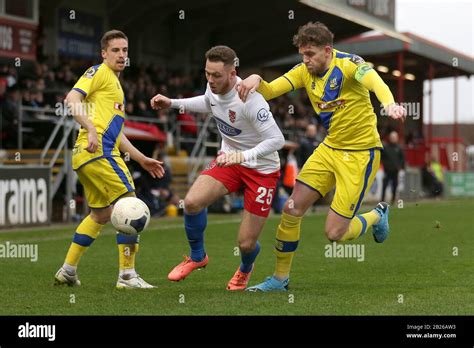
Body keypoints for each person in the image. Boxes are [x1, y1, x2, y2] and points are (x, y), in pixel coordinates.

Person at [237, 22, 406, 291]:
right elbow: (270, 91)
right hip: (329, 149)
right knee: (292, 208)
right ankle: (280, 280)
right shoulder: (304, 71)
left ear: (327, 50)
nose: (306, 60)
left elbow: (376, 81)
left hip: (360, 154)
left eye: (310, 54)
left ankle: (376, 215)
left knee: (334, 233)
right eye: (303, 54)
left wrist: (389, 104)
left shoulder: (349, 65)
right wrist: (257, 78)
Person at [150, 45, 285, 290]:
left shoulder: (251, 100)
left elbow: (277, 140)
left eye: (216, 76)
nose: (210, 80)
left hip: (262, 170)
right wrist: (171, 102)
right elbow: (207, 102)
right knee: (191, 202)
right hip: (230, 161)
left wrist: (243, 156)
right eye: (207, 74)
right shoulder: (212, 87)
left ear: (233, 73)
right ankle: (198, 256)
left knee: (245, 244)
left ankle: (245, 268)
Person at [54, 30, 164, 289]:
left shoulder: (115, 85)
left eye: (125, 50)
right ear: (104, 53)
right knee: (130, 205)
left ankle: (67, 270)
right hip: (98, 151)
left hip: (88, 156)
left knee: (100, 214)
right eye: (116, 50)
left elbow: (118, 133)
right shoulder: (99, 72)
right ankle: (127, 276)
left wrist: (140, 158)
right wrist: (91, 128)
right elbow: (72, 98)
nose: (122, 55)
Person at [381, 131, 405, 204]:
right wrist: (385, 165)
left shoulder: (399, 148)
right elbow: (382, 157)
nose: (393, 139)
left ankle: (393, 199)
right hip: (387, 170)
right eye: (392, 137)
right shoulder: (386, 147)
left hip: (395, 170)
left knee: (395, 185)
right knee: (385, 185)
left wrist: (399, 166)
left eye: (394, 137)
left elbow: (402, 158)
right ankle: (382, 200)